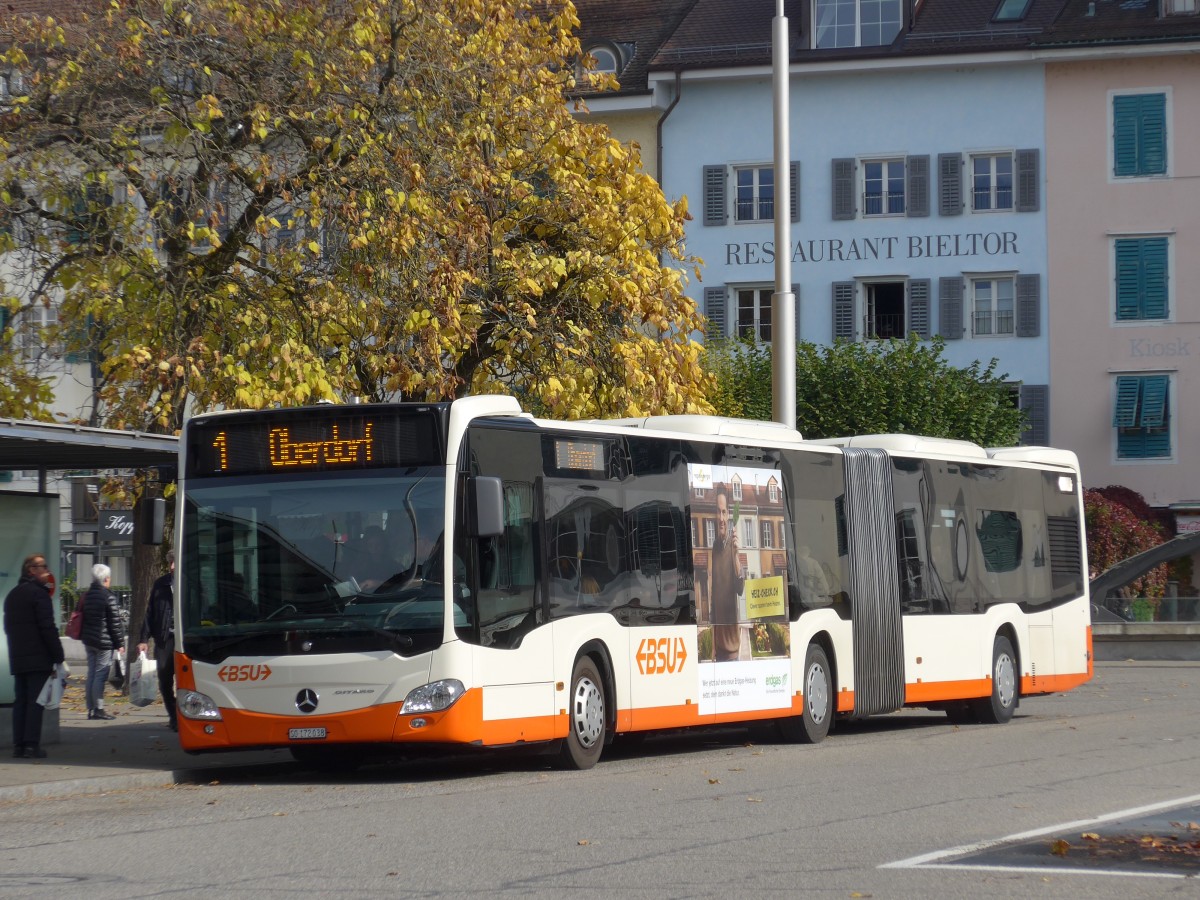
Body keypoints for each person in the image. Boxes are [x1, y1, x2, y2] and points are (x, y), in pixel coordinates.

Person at [4, 553, 64, 759]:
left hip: (18, 657)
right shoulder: (39, 595)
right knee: (35, 703)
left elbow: (8, 627)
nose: (48, 570)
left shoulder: (12, 595)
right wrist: (58, 655)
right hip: (38, 657)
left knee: (20, 701)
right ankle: (31, 745)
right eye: (43, 566)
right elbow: (48, 628)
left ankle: (19, 745)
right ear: (32, 570)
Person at [138, 549, 177, 731]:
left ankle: (186, 716)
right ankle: (174, 716)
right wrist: (143, 638)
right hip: (164, 640)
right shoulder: (160, 584)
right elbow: (150, 613)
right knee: (164, 679)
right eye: (170, 562)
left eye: (174, 562)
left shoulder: (190, 582)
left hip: (185, 641)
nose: (172, 566)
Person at [80, 563, 124, 720]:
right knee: (100, 675)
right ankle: (98, 709)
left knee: (91, 674)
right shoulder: (108, 596)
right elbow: (115, 623)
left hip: (89, 640)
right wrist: (119, 643)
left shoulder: (87, 595)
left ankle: (91, 709)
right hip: (104, 642)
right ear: (106, 579)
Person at [707, 486, 744, 662]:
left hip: (732, 649)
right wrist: (713, 645)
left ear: (729, 514)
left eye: (724, 512)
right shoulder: (714, 549)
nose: (721, 518)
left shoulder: (733, 546)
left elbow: (740, 588)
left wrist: (736, 556)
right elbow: (714, 600)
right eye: (717, 512)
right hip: (718, 649)